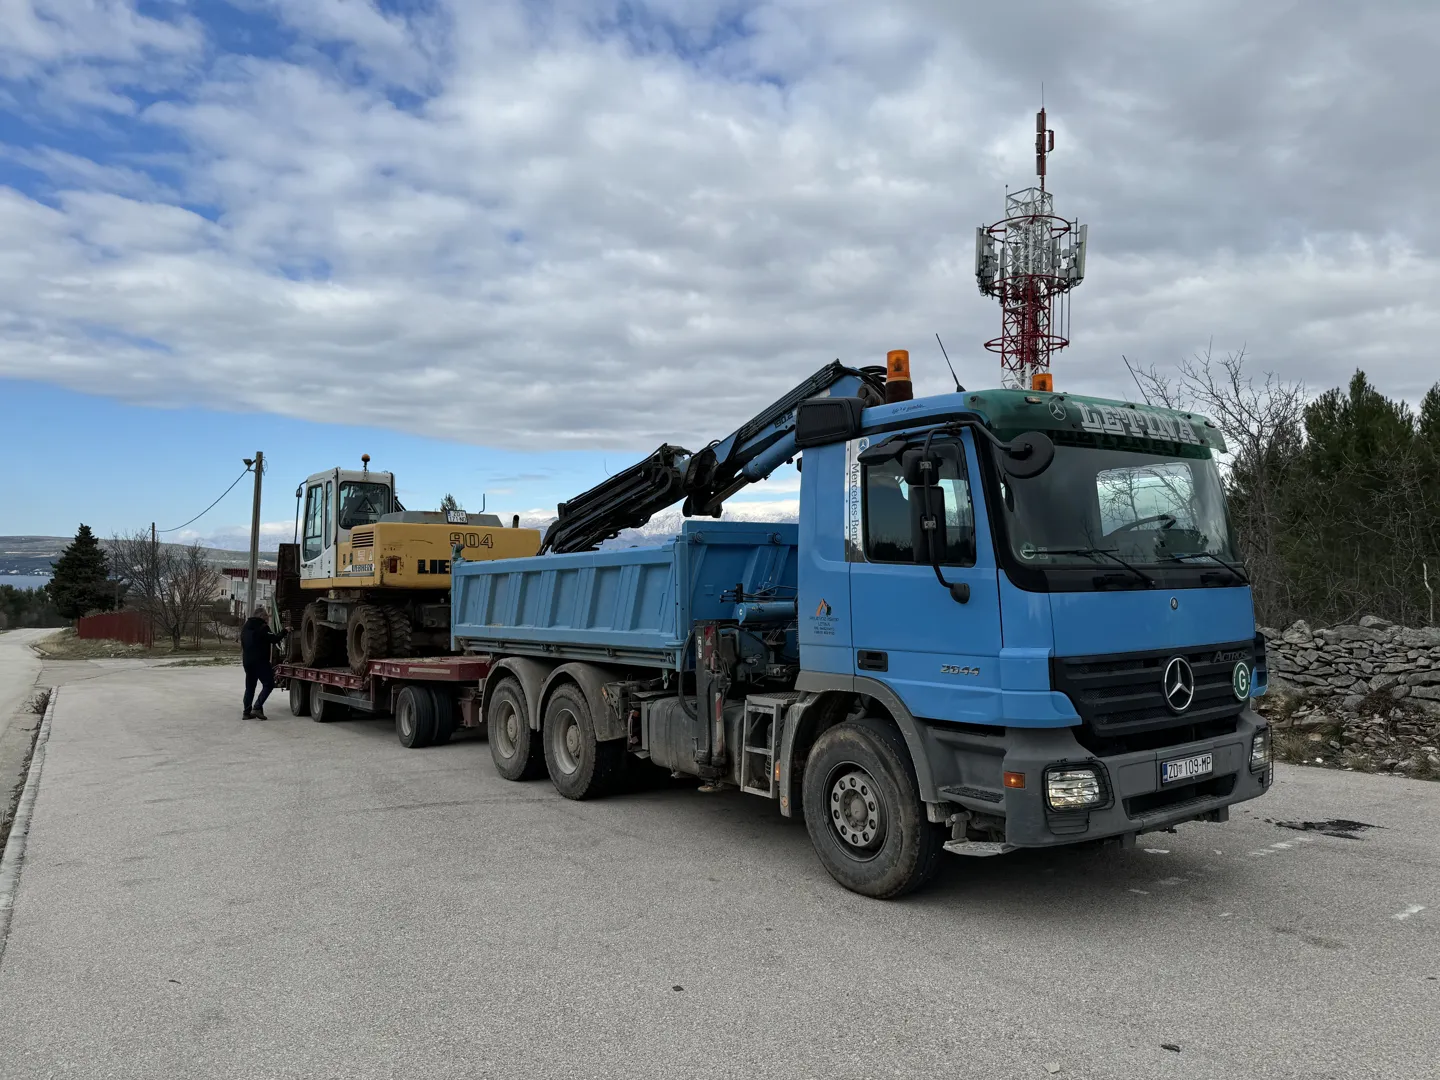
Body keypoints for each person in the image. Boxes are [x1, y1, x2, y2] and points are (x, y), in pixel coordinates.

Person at [240, 605, 288, 720]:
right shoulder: (262, 627)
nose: (268, 618)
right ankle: (257, 707)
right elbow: (274, 639)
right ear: (261, 616)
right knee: (269, 684)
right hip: (260, 661)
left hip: (247, 661)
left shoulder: (246, 627)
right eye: (267, 616)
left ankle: (246, 712)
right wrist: (285, 631)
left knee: (250, 687)